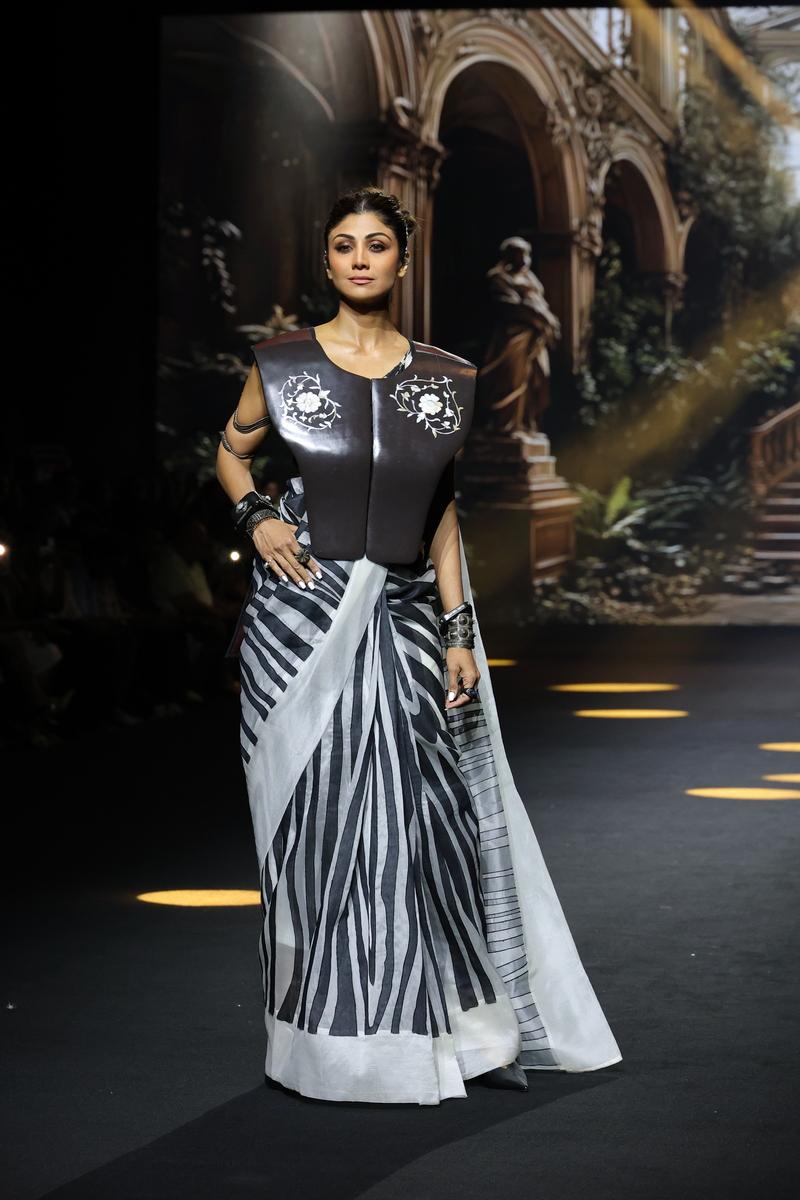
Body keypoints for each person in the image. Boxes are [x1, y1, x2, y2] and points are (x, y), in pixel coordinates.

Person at [216, 185, 621, 1106]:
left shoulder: (447, 377)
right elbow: (231, 452)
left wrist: (457, 630)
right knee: (315, 824)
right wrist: (256, 518)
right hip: (298, 616)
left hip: (401, 615)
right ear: (327, 259)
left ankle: (453, 1033)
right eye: (344, 245)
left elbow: (441, 511)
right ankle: (327, 1041)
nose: (360, 259)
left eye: (377, 245)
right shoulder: (281, 363)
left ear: (402, 258)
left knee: (427, 818)